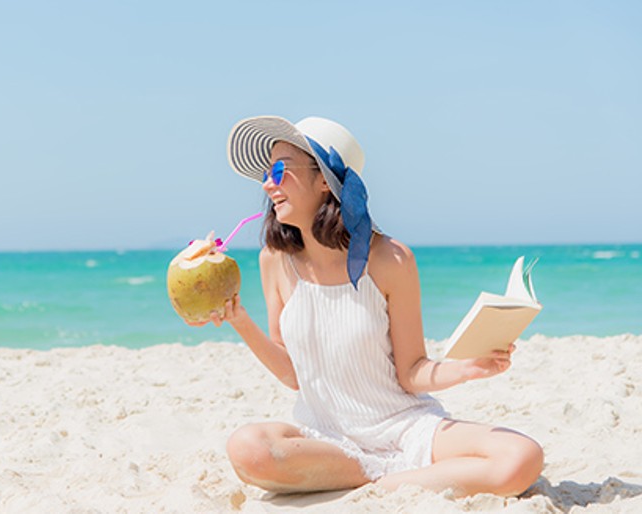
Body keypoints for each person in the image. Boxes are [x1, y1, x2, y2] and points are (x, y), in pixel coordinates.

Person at [194, 115, 543, 496]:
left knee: (521, 457)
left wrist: (466, 369)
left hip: (403, 427)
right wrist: (237, 317)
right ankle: (375, 474)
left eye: (280, 169)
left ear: (324, 182)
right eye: (267, 170)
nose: (268, 183)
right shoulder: (275, 261)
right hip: (325, 437)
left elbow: (412, 372)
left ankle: (383, 481)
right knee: (247, 448)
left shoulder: (390, 259)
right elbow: (294, 375)